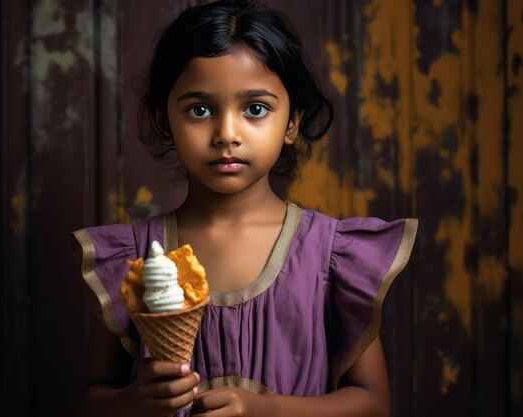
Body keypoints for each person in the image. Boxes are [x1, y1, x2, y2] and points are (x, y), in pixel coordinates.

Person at [72, 1, 418, 416]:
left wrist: (262, 410)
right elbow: (93, 400)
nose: (227, 134)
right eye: (199, 110)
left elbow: (374, 404)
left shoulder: (330, 255)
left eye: (255, 109)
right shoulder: (136, 256)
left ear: (292, 123)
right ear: (165, 122)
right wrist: (133, 401)